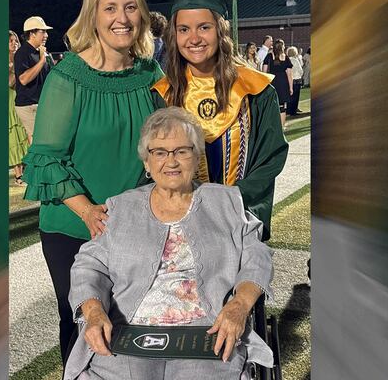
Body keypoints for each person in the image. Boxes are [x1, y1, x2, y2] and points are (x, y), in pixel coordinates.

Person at [21, 0, 163, 368]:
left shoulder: (149, 73)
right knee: (86, 329)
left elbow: (163, 142)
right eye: (110, 8)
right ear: (93, 15)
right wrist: (88, 212)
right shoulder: (68, 77)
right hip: (74, 228)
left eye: (131, 7)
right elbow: (45, 158)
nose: (122, 18)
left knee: (131, 327)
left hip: (133, 225)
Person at [65, 107, 274, 380]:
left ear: (196, 156)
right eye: (160, 152)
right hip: (129, 329)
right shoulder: (121, 207)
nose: (171, 161)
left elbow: (256, 257)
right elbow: (88, 266)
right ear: (146, 163)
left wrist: (239, 306)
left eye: (182, 151)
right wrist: (93, 312)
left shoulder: (226, 202)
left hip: (206, 331)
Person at [152, 0, 288, 242]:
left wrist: (231, 200)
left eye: (204, 27)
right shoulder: (164, 94)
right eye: (183, 29)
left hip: (239, 220)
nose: (193, 38)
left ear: (221, 30)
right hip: (181, 227)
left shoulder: (256, 91)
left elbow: (270, 158)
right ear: (174, 35)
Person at [14, 15, 54, 145]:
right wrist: (42, 61)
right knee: (38, 140)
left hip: (41, 103)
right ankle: (36, 165)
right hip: (28, 105)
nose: (46, 35)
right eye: (42, 31)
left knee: (46, 138)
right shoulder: (22, 53)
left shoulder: (41, 52)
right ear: (32, 33)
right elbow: (24, 79)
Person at [8, 30, 29, 185]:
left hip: (23, 98)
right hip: (9, 100)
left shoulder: (21, 58)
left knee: (24, 133)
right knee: (14, 135)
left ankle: (27, 169)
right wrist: (17, 68)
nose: (14, 44)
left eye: (15, 41)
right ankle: (18, 174)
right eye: (10, 41)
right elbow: (10, 82)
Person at [262, 39, 293, 126]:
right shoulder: (286, 57)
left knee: (272, 105)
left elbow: (264, 72)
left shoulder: (269, 56)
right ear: (282, 46)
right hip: (283, 83)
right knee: (282, 107)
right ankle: (281, 128)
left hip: (272, 82)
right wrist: (290, 87)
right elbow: (289, 74)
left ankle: (273, 127)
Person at [286, 46, 304, 115]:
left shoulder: (286, 60)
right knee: (295, 97)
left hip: (289, 80)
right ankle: (293, 111)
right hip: (296, 80)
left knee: (289, 96)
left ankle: (288, 110)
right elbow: (300, 70)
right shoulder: (295, 60)